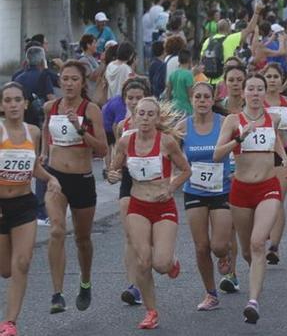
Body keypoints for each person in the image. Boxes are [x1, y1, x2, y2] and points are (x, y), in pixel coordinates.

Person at [213, 73, 287, 324]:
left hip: (268, 186)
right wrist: (240, 137)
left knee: (259, 243)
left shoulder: (274, 117)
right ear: (243, 92)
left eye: (260, 89)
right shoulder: (232, 120)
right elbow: (217, 154)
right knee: (248, 250)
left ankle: (253, 302)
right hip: (241, 190)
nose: (256, 93)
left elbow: (276, 141)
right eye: (252, 89)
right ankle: (253, 269)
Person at [106, 98, 191, 329]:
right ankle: (151, 311)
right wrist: (111, 176)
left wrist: (171, 187)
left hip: (163, 206)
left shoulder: (167, 142)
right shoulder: (125, 141)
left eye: (150, 114)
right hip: (138, 206)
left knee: (160, 264)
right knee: (143, 261)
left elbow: (185, 170)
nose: (144, 118)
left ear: (157, 118)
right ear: (133, 117)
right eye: (140, 113)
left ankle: (171, 262)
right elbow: (114, 170)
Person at [42, 61, 108, 314]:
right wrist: (43, 155)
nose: (68, 84)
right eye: (65, 79)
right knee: (57, 231)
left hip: (82, 180)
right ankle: (57, 294)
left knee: (82, 239)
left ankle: (85, 281)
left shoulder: (90, 109)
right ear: (59, 81)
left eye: (74, 79)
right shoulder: (51, 107)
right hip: (56, 178)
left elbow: (102, 149)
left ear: (82, 83)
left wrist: (81, 130)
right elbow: (47, 135)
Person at [0, 82, 62, 336]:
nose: (13, 105)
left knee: (22, 263)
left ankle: (10, 323)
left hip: (24, 205)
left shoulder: (34, 132)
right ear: (2, 106)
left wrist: (50, 178)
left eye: (17, 100)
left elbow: (32, 167)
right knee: (5, 270)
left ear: (25, 103)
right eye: (8, 100)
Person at [179, 82, 234, 311]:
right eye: (197, 97)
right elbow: (171, 154)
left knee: (218, 245)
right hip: (194, 190)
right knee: (201, 246)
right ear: (191, 100)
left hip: (221, 190)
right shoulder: (182, 126)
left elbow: (238, 148)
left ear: (213, 101)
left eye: (206, 97)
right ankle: (210, 294)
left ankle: (224, 255)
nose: (201, 101)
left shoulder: (224, 124)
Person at [112, 78, 151, 306]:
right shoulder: (122, 126)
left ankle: (154, 265)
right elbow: (118, 158)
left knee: (149, 239)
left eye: (139, 98)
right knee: (130, 234)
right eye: (130, 98)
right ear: (125, 99)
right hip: (129, 181)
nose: (134, 102)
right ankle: (134, 286)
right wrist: (112, 172)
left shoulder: (158, 122)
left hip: (152, 183)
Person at [263, 63, 287, 264]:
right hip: (262, 155)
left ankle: (274, 246)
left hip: (283, 154)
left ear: (282, 80)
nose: (272, 79)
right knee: (265, 199)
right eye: (269, 76)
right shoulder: (258, 102)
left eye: (276, 76)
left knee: (278, 199)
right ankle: (264, 229)